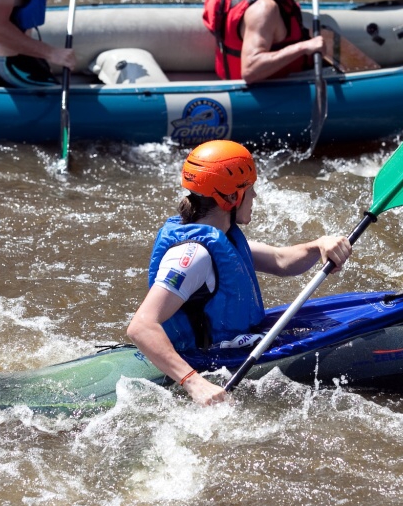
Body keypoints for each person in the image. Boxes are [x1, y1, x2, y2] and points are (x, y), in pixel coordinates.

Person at [126, 140, 352, 406]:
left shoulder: (224, 239)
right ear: (231, 197)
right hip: (203, 360)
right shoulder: (192, 256)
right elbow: (141, 326)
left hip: (229, 346)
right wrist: (193, 382)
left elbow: (281, 261)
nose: (254, 196)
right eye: (250, 189)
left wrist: (319, 246)